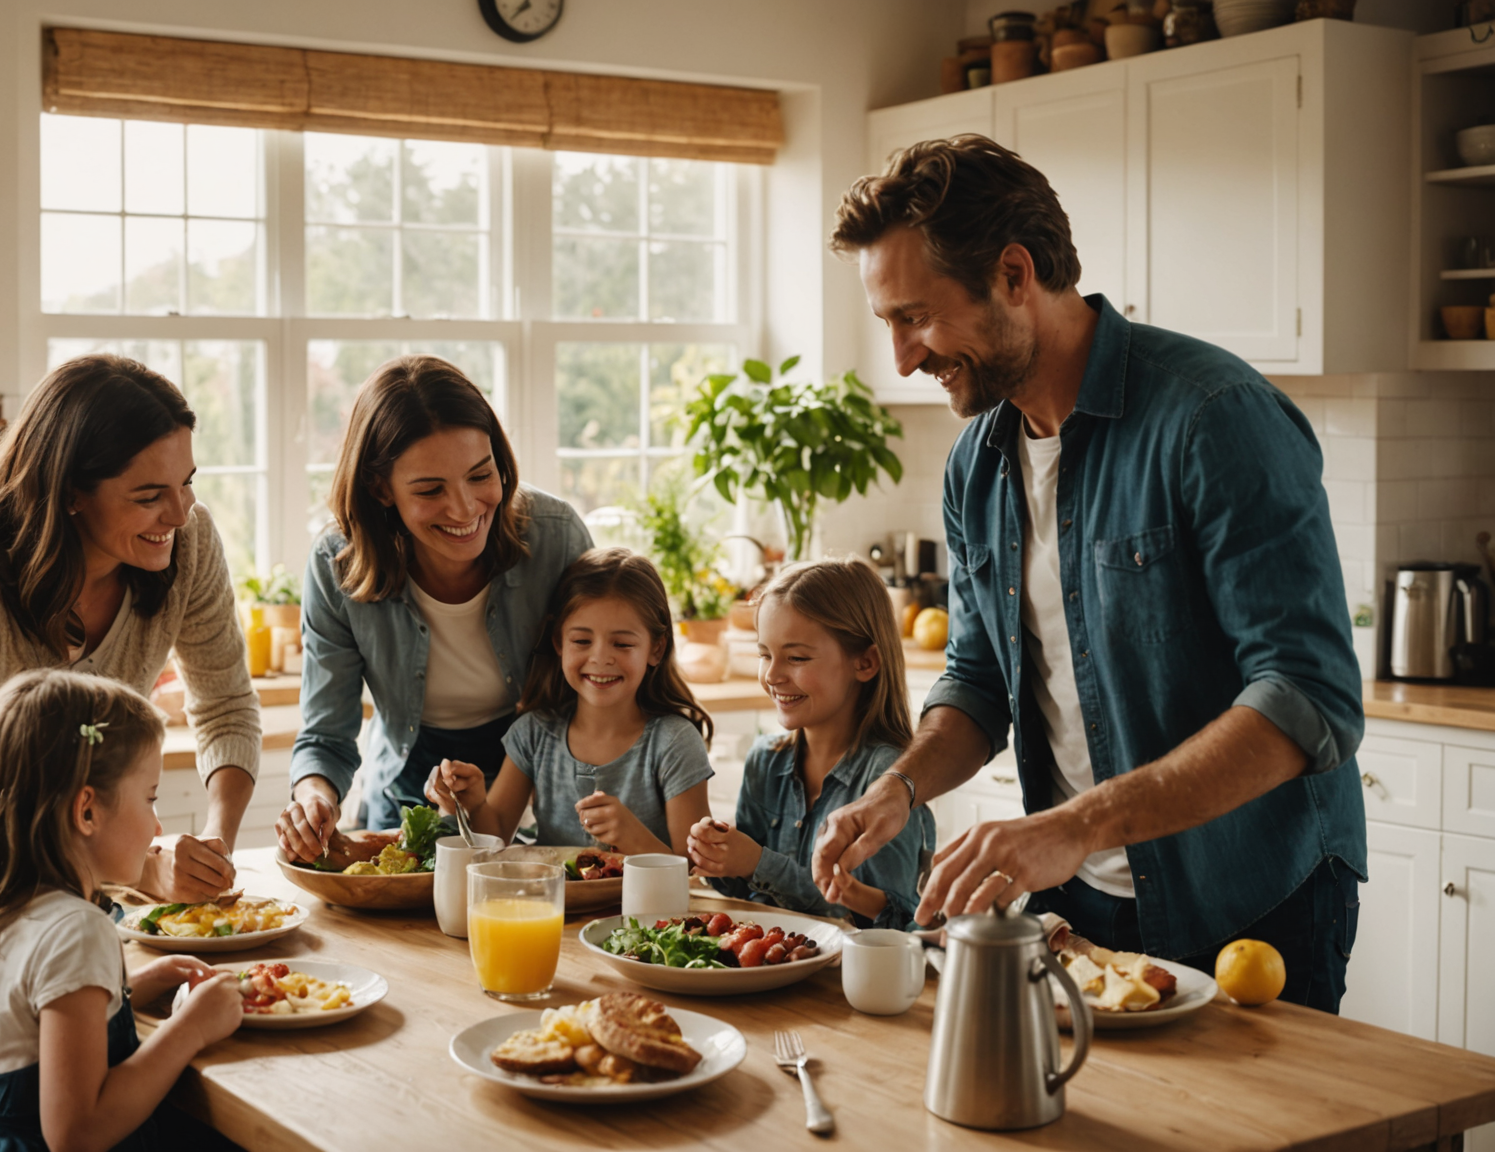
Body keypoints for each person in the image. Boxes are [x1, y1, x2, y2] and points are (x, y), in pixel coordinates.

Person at [812, 135, 1365, 1010]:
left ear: (1015, 274)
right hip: (1078, 906)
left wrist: (1073, 827)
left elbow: (1308, 698)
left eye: (914, 316)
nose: (905, 358)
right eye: (890, 323)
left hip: (1250, 903)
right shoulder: (974, 466)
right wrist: (899, 786)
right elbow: (979, 680)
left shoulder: (1212, 418)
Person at [0, 354, 261, 1149]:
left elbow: (224, 703)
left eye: (187, 482)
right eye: (149, 495)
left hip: (67, 904)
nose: (179, 513)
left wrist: (212, 842)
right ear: (69, 492)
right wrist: (110, 854)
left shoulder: (186, 542)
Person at [276, 355, 593, 859]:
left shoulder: (556, 536)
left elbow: (600, 694)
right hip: (409, 780)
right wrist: (313, 799)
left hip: (542, 781)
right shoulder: (336, 562)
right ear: (381, 488)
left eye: (480, 475)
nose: (465, 509)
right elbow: (326, 735)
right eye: (430, 490)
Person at [0, 670, 242, 1152]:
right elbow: (76, 1132)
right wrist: (191, 1028)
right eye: (149, 798)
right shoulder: (78, 930)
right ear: (87, 811)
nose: (158, 824)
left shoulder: (1, 903)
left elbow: (35, 1029)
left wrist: (130, 990)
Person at [688, 559, 932, 928]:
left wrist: (758, 862)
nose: (771, 675)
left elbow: (899, 921)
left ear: (865, 662)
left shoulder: (890, 782)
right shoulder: (765, 761)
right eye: (765, 655)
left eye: (796, 658)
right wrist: (718, 855)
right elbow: (748, 894)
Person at [424, 547, 716, 854]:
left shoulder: (675, 743)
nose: (601, 658)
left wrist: (634, 839)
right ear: (558, 642)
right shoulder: (534, 733)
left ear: (656, 649)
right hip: (546, 903)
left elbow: (693, 871)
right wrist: (470, 803)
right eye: (581, 641)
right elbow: (494, 837)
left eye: (622, 643)